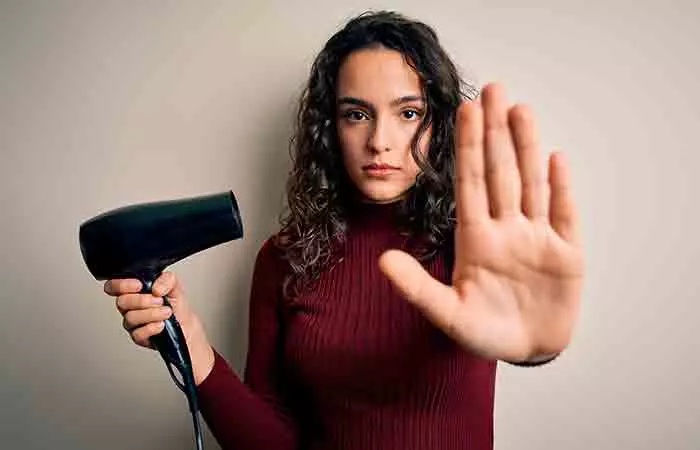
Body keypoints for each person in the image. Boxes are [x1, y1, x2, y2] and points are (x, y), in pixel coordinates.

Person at [103, 10, 584, 450]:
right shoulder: (283, 259)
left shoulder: (477, 248)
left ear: (437, 124)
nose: (380, 141)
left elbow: (517, 329)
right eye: (356, 114)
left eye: (408, 113)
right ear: (329, 128)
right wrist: (194, 349)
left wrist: (537, 349)